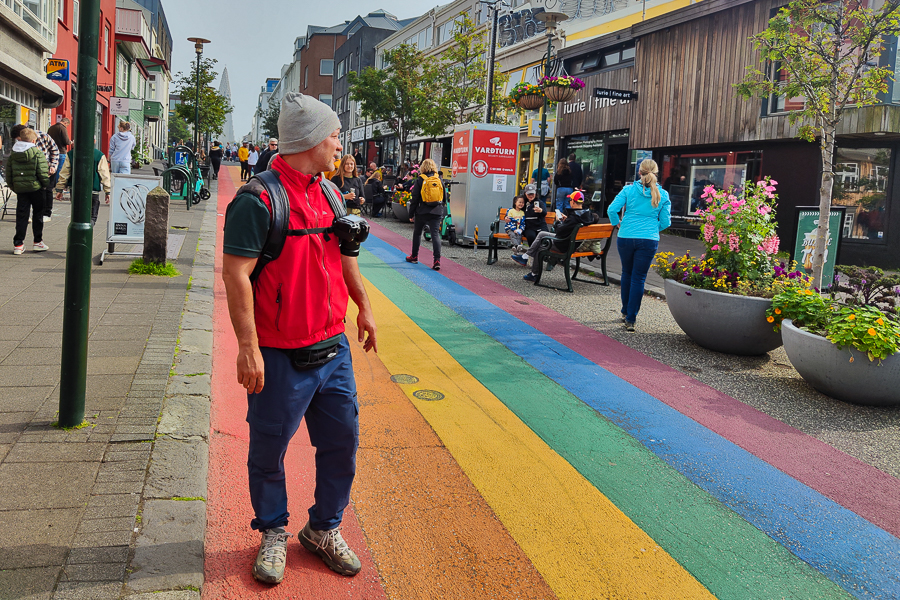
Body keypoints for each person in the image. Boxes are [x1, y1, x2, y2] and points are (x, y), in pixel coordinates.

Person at [221, 92, 377, 585]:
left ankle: (323, 528)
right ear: (310, 139)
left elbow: (345, 254)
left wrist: (364, 306)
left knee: (342, 444)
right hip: (279, 354)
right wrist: (248, 348)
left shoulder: (330, 193)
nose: (339, 142)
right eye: (333, 133)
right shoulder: (258, 199)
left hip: (333, 351)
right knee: (269, 450)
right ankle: (272, 530)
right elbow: (236, 275)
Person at [608, 159, 672, 332]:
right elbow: (666, 222)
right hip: (649, 239)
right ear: (656, 173)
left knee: (626, 273)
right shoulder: (663, 194)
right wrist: (653, 229)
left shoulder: (628, 190)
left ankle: (624, 311)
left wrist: (618, 224)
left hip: (626, 236)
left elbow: (611, 210)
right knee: (639, 278)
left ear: (639, 172)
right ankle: (631, 318)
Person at [513, 190, 596, 281]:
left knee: (540, 247)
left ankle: (534, 274)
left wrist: (558, 221)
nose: (569, 202)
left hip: (563, 244)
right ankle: (525, 256)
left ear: (573, 201)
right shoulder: (587, 214)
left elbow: (560, 231)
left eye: (570, 200)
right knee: (541, 234)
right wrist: (566, 220)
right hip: (574, 243)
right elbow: (572, 225)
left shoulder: (574, 217)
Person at [6, 128, 50, 254]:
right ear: (33, 140)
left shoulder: (13, 154)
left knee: (21, 216)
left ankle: (18, 244)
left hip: (21, 190)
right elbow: (42, 172)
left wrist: (14, 186)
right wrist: (45, 185)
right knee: (38, 215)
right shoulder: (37, 153)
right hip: (36, 188)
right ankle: (37, 242)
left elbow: (9, 174)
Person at [55, 139, 111, 226]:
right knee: (92, 216)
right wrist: (108, 191)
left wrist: (60, 189)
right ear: (95, 141)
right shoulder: (99, 155)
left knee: (77, 215)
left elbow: (65, 173)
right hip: (93, 190)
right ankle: (88, 230)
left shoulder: (71, 154)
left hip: (75, 190)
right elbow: (105, 175)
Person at [11, 124, 59, 224]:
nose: (20, 141)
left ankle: (46, 213)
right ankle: (27, 215)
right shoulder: (20, 144)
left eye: (19, 138)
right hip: (29, 171)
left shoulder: (42, 136)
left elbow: (54, 150)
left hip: (46, 168)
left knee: (47, 190)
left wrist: (53, 166)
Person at [404, 158, 446, 271]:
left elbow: (415, 198)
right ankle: (437, 260)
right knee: (435, 235)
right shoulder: (439, 178)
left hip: (422, 211)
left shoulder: (420, 179)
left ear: (423, 167)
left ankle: (414, 256)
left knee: (417, 233)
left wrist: (411, 214)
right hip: (436, 211)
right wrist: (441, 209)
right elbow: (444, 197)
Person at [47, 117, 71, 217]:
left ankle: (53, 186)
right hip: (61, 151)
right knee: (61, 170)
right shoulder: (62, 128)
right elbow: (66, 140)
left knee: (53, 169)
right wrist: (70, 142)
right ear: (65, 123)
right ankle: (59, 188)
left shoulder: (51, 128)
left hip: (51, 152)